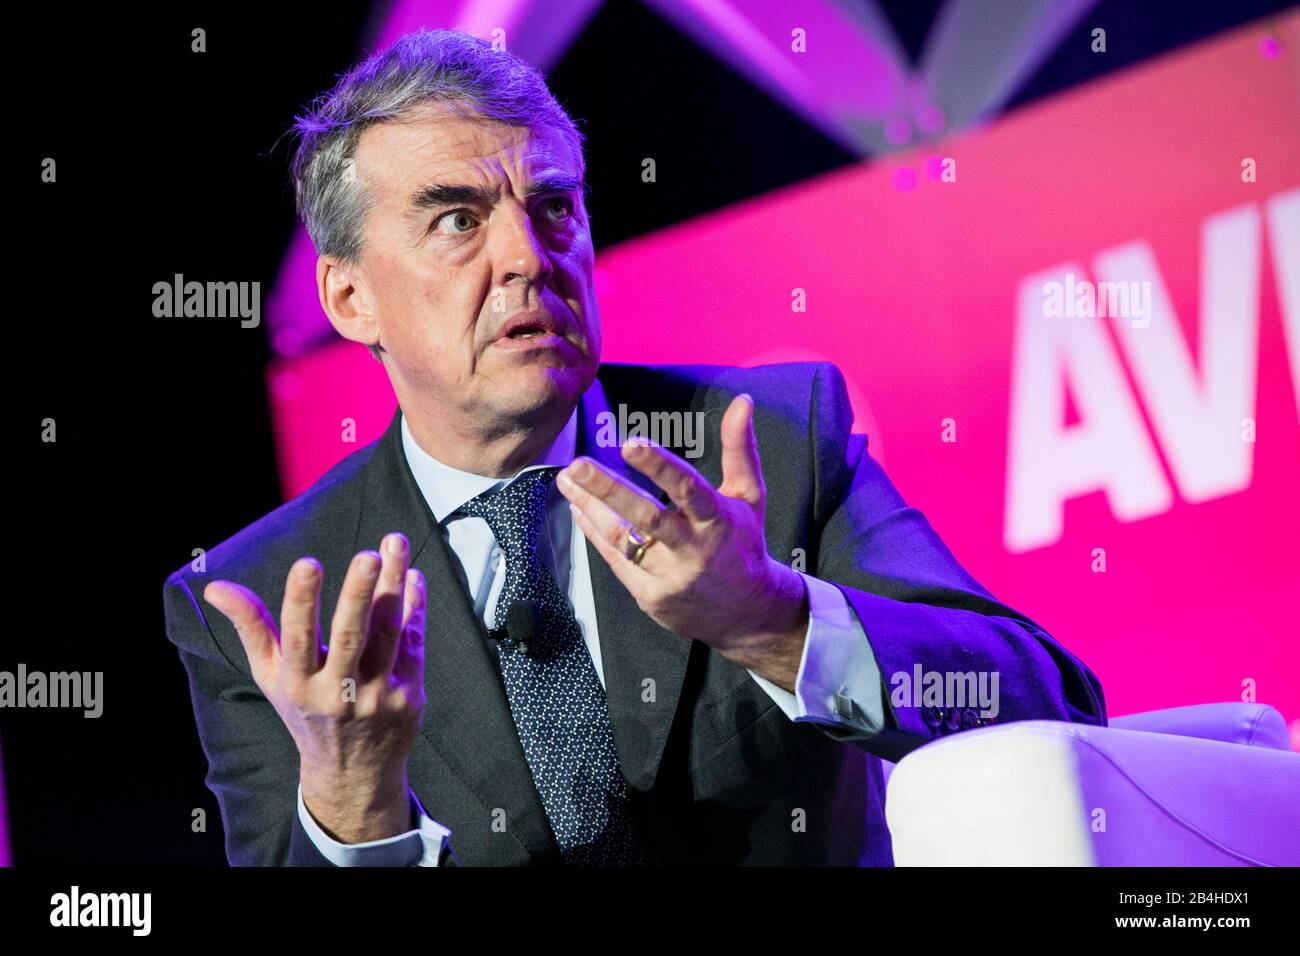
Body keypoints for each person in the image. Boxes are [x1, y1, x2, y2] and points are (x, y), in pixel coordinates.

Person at [162, 28, 1105, 867]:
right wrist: (354, 808)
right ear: (348, 299)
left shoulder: (774, 441)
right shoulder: (265, 598)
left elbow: (1051, 709)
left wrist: (774, 621)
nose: (530, 258)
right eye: (458, 220)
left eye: (554, 207)